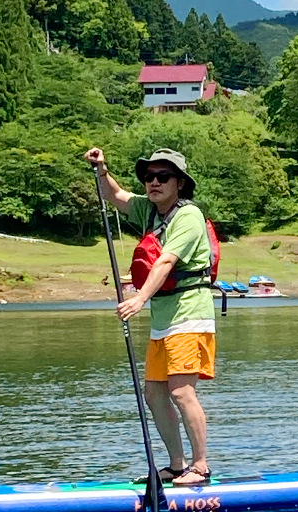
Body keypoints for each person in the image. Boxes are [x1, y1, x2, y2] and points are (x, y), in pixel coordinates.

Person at [86, 146, 215, 486]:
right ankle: (176, 465)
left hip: (189, 314)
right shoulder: (149, 211)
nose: (153, 182)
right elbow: (114, 195)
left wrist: (139, 297)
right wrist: (102, 169)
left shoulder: (189, 216)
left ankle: (201, 466)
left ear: (180, 183)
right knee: (154, 392)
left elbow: (165, 262)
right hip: (164, 319)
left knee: (181, 392)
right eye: (148, 177)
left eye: (162, 177)